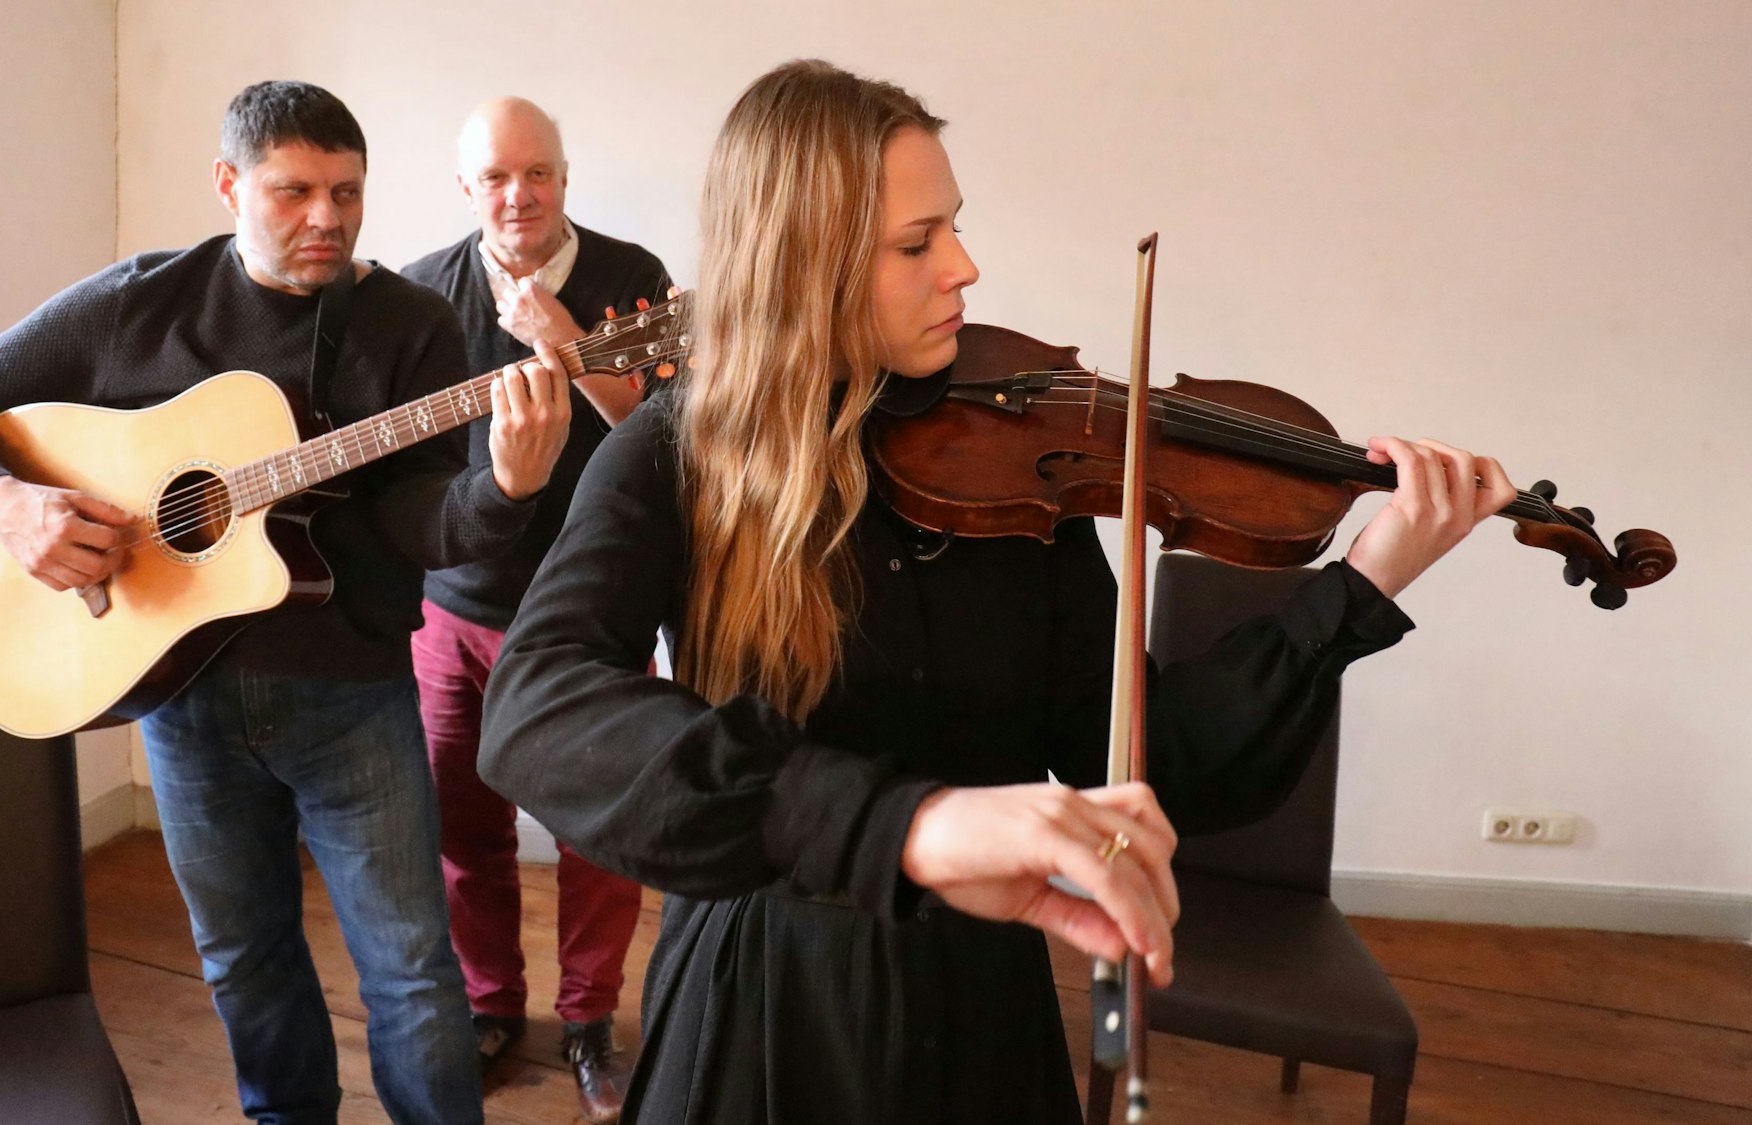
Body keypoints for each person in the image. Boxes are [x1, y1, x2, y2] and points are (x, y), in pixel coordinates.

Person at [475, 59, 1516, 1125]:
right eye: (915, 243)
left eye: (955, 228)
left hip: (980, 1001)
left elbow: (1157, 761)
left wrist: (1363, 583)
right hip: (769, 1006)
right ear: (802, 260)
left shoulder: (1016, 465)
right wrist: (903, 825)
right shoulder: (678, 454)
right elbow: (534, 713)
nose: (963, 268)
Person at [0, 81, 575, 1125]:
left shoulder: (408, 324)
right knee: (243, 961)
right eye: (294, 191)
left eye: (347, 192)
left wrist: (507, 488)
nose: (327, 218)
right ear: (228, 184)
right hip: (179, 697)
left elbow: (423, 522)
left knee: (411, 974)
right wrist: (6, 502)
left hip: (352, 696)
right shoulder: (140, 301)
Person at [399, 96, 670, 1124]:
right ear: (465, 188)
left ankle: (591, 1016)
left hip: (593, 609)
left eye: (538, 173)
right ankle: (491, 1005)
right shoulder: (417, 295)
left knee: (600, 834)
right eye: (496, 177)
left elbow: (668, 433)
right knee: (463, 827)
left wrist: (569, 343)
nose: (520, 195)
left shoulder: (632, 278)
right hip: (451, 610)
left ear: (565, 176)